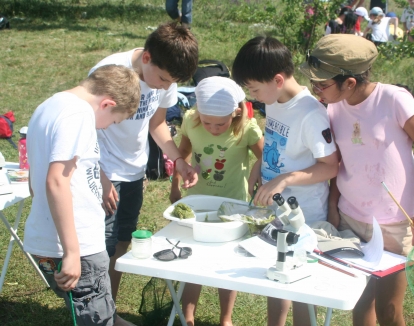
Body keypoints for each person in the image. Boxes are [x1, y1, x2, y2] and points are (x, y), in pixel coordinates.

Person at [300, 34, 414, 326]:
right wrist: (334, 205)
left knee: (389, 310)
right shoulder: (332, 106)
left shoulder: (394, 101)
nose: (316, 90)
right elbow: (339, 161)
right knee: (361, 302)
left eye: (321, 84)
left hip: (395, 223)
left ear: (349, 82)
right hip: (352, 220)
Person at [232, 36, 338, 326]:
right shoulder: (275, 99)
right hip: (274, 209)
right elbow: (279, 147)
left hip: (303, 214)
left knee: (299, 281)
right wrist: (259, 168)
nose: (251, 96)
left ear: (278, 79)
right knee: (275, 275)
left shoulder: (310, 114)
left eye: (253, 88)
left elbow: (330, 167)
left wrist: (285, 179)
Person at [89, 22, 199, 303]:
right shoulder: (109, 73)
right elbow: (84, 129)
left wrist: (178, 160)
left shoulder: (164, 77)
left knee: (123, 240)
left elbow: (157, 123)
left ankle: (107, 308)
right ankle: (94, 311)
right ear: (147, 58)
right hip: (104, 172)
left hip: (134, 171)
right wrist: (99, 177)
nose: (164, 87)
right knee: (101, 244)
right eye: (162, 79)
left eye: (171, 83)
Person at [24, 64, 141, 326]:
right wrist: (72, 252)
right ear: (107, 104)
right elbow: (56, 181)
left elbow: (37, 176)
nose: (106, 127)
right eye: (113, 121)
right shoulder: (78, 115)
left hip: (49, 238)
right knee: (95, 318)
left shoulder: (50, 106)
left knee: (98, 313)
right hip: (78, 246)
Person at [170, 76, 264, 326]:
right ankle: (187, 316)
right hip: (198, 200)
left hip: (233, 202)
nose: (212, 129)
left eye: (220, 125)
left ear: (235, 113)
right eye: (207, 123)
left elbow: (265, 156)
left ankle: (226, 318)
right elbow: (183, 153)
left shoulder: (247, 128)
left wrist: (258, 177)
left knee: (227, 260)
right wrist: (175, 185)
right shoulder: (191, 120)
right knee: (193, 257)